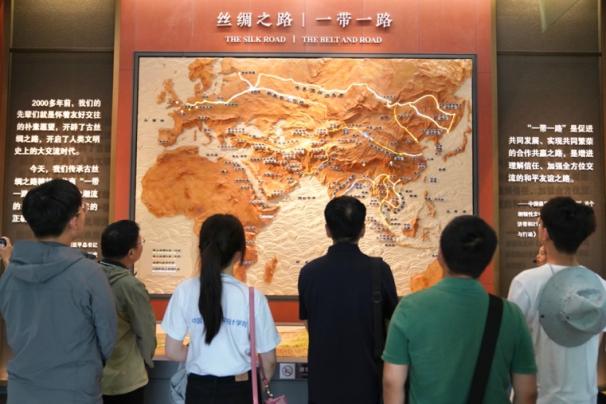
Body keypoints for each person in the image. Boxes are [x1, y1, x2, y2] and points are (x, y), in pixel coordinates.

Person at [383, 215, 537, 404]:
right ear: (488, 261)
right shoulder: (510, 314)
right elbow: (527, 392)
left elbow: (392, 382)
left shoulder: (409, 308)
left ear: (440, 254)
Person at [0, 179, 117, 404]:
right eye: (83, 209)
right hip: (75, 391)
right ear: (74, 220)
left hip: (22, 390)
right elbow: (107, 338)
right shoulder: (89, 273)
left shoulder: (11, 273)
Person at [162, 214, 280, 404]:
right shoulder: (252, 297)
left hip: (198, 390)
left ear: (202, 249)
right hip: (240, 390)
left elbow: (172, 351)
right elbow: (269, 360)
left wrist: (200, 356)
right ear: (239, 254)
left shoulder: (185, 290)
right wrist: (260, 384)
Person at [298, 196, 398, 404]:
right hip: (367, 385)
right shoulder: (380, 271)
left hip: (322, 387)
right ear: (363, 230)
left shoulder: (309, 273)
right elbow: (392, 325)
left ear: (327, 230)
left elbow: (309, 324)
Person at [508, 196, 605, 404]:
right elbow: (594, 343)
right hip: (584, 398)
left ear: (545, 233)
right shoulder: (601, 285)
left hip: (538, 398)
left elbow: (513, 347)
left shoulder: (525, 283)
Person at [99, 220, 157, 404]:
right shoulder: (130, 286)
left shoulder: (89, 277)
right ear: (131, 253)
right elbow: (146, 331)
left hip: (92, 376)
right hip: (125, 379)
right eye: (140, 242)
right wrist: (146, 362)